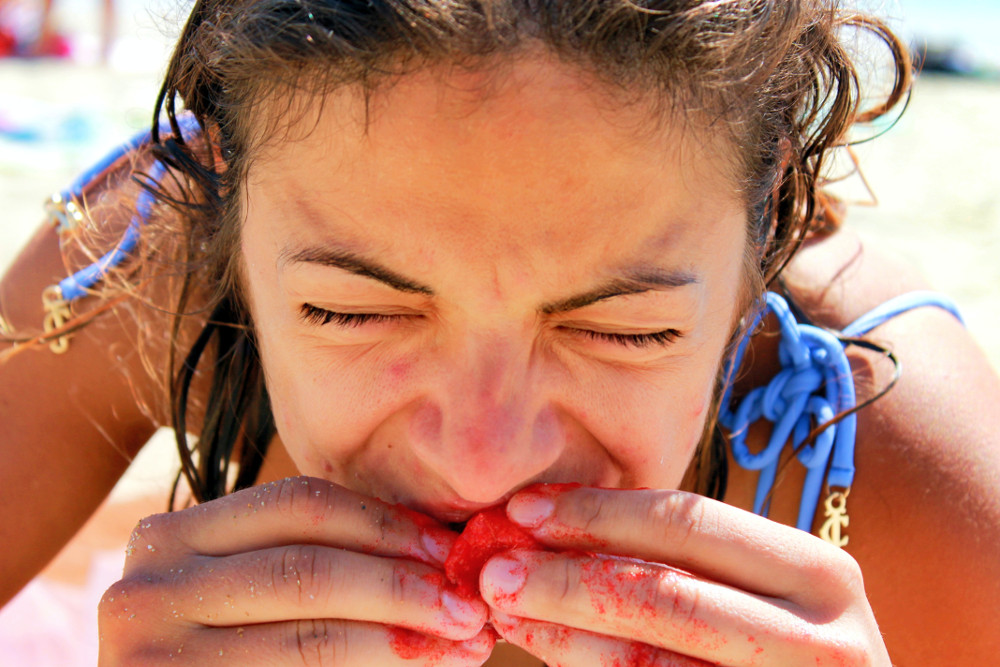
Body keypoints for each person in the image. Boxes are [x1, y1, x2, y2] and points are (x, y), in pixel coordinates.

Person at [1, 1, 998, 664]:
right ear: (226, 210)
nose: (479, 461)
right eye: (350, 311)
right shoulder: (137, 265)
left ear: (763, 216)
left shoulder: (897, 460)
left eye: (627, 329)